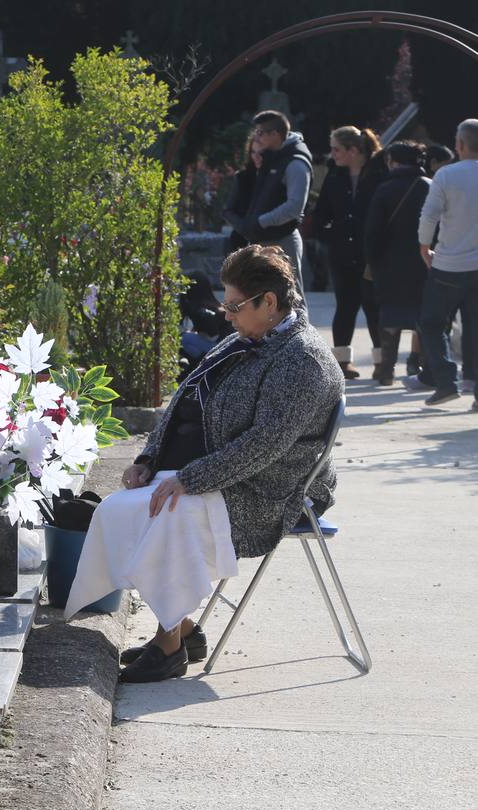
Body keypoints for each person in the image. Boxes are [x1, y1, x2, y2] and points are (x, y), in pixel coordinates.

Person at [64, 245, 344, 683]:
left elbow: (265, 445)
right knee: (117, 509)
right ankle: (184, 628)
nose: (227, 316)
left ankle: (170, 646)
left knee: (168, 511)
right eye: (226, 305)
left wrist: (190, 479)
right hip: (222, 473)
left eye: (234, 306)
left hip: (272, 489)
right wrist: (147, 458)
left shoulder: (302, 360)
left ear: (268, 303)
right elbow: (183, 403)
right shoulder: (245, 339)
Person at [318, 126, 388, 378]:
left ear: (353, 150)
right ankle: (342, 362)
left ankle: (382, 362)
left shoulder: (380, 173)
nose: (332, 154)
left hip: (372, 253)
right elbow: (322, 211)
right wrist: (328, 235)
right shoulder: (335, 175)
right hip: (342, 252)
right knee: (345, 306)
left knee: (373, 307)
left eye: (337, 149)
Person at [417, 119, 478, 408]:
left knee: (431, 323)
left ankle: (445, 380)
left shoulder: (447, 175)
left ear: (460, 144)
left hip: (449, 264)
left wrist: (424, 246)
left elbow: (429, 215)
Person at [364, 141, 431, 386]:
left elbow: (372, 232)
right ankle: (424, 369)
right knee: (423, 317)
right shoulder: (429, 187)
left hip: (388, 263)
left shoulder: (384, 189)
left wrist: (372, 260)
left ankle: (386, 372)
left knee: (389, 316)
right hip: (424, 262)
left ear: (394, 161)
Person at [242, 111, 312, 298]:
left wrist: (261, 221)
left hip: (283, 238)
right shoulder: (274, 157)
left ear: (275, 135)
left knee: (292, 296)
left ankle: (299, 329)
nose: (256, 137)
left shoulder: (295, 163)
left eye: (261, 133)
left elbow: (295, 206)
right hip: (264, 237)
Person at [222, 131, 261, 252]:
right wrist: (244, 228)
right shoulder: (242, 177)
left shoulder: (276, 175)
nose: (256, 156)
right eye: (253, 152)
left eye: (260, 152)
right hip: (241, 241)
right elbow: (228, 211)